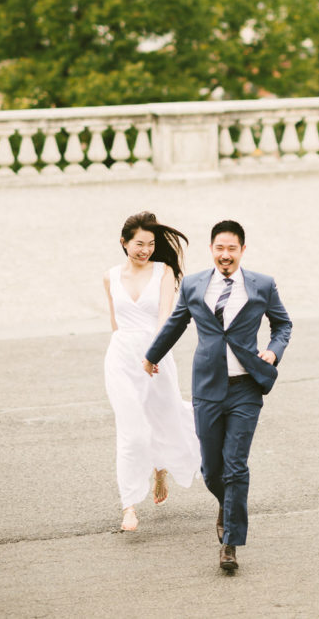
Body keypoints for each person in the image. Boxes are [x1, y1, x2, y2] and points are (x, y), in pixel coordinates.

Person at [143, 219, 292, 572]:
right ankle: (228, 505)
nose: (226, 255)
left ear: (243, 250)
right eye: (220, 248)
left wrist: (273, 352)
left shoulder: (262, 285)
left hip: (246, 388)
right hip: (208, 388)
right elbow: (176, 323)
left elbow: (282, 324)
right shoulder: (194, 284)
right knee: (211, 470)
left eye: (232, 249)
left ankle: (230, 544)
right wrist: (152, 355)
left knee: (236, 466)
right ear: (211, 249)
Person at [103, 211, 200, 532]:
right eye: (139, 244)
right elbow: (115, 323)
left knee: (165, 417)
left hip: (156, 355)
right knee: (131, 430)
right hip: (121, 358)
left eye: (151, 244)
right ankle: (129, 505)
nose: (146, 250)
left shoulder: (164, 272)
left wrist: (154, 352)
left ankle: (161, 468)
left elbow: (165, 317)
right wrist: (128, 353)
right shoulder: (110, 277)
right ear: (124, 242)